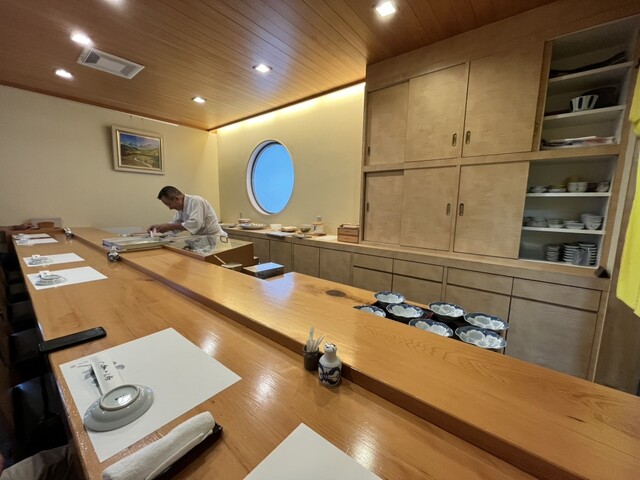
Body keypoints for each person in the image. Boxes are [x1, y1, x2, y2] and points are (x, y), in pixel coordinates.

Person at [148, 186, 226, 236]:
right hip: (202, 240)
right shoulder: (181, 208)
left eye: (169, 204)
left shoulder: (196, 201)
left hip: (216, 239)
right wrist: (158, 228)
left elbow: (195, 223)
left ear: (176, 199)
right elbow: (176, 223)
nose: (170, 208)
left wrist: (169, 227)